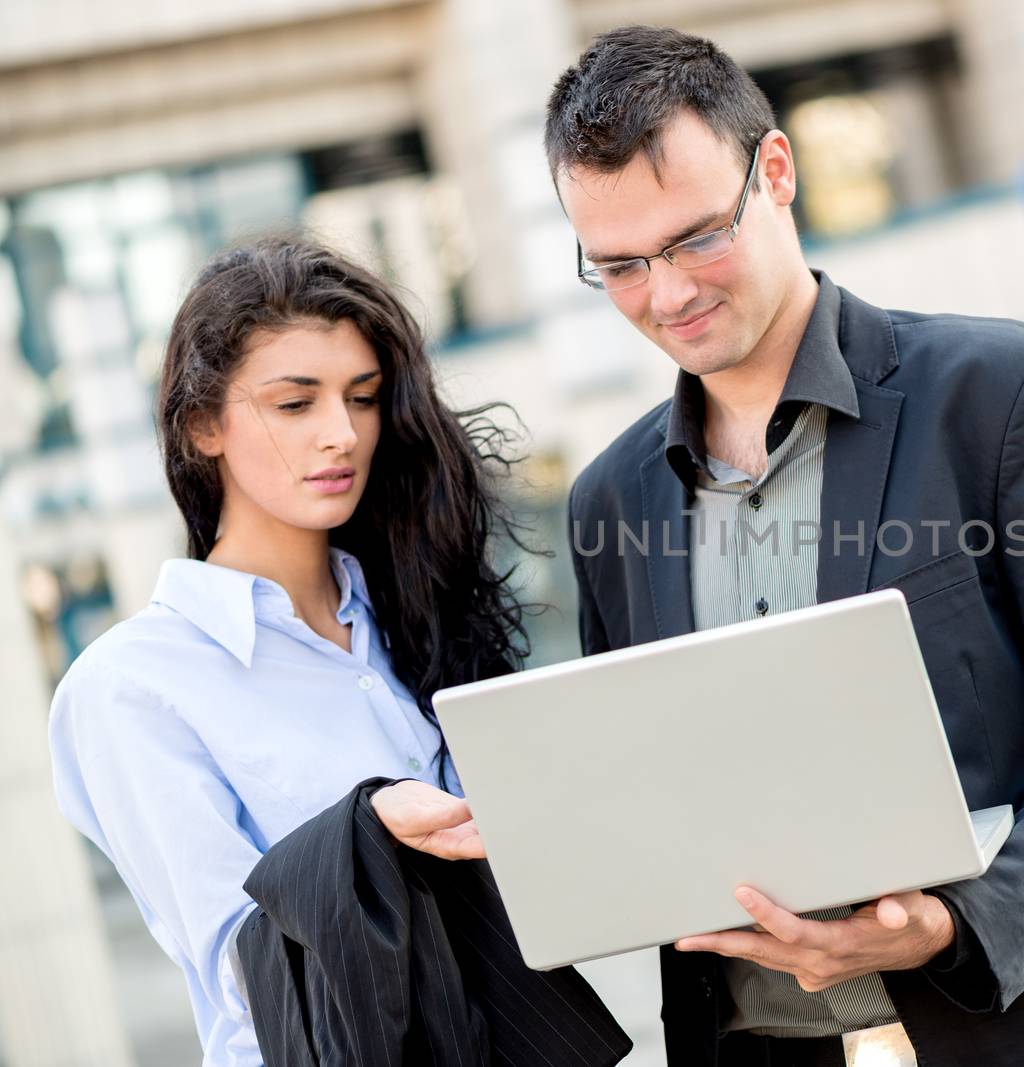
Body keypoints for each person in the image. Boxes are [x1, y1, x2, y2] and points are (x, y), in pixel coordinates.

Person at [534, 24, 1024, 1067]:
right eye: (621, 265)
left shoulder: (1006, 394)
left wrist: (954, 920)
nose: (668, 293)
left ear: (776, 171)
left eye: (694, 240)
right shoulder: (607, 502)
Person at [47, 237, 623, 1066]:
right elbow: (243, 970)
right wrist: (371, 830)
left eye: (362, 397)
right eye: (294, 404)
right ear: (203, 423)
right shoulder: (131, 688)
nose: (341, 435)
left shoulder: (414, 625)